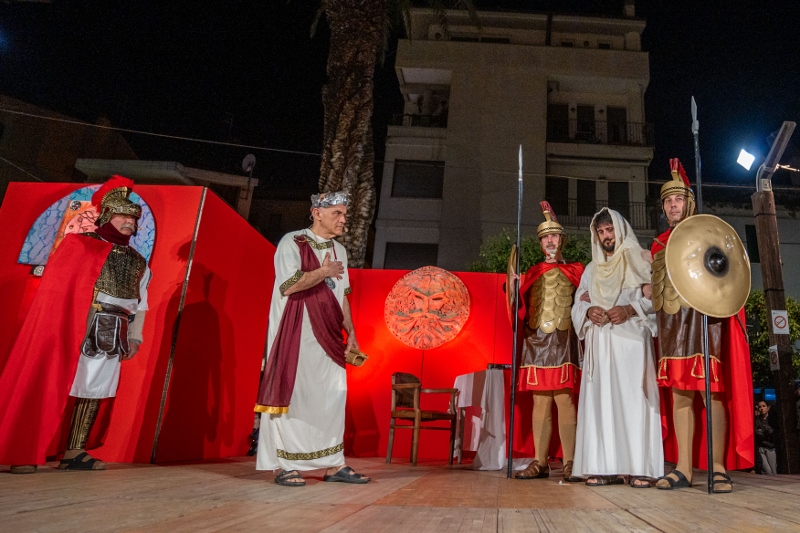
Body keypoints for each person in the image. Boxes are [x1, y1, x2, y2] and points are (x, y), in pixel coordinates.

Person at [0, 176, 151, 473]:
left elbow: (141, 302)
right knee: (49, 382)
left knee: (94, 389)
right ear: (107, 215)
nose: (129, 222)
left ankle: (74, 452)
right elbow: (58, 293)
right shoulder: (79, 246)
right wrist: (64, 326)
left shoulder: (139, 261)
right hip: (75, 325)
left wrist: (135, 337)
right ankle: (26, 450)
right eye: (123, 215)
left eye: (133, 218)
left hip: (114, 331)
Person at [651, 159, 753, 493]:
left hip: (705, 322)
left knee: (712, 394)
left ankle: (718, 467)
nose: (672, 205)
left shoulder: (708, 234)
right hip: (673, 326)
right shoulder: (658, 244)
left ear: (689, 203)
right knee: (680, 394)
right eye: (668, 201)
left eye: (678, 199)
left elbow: (727, 274)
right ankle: (683, 468)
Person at [255, 190, 369, 487]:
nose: (343, 220)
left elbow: (342, 295)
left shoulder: (340, 250)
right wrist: (323, 271)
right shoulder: (292, 242)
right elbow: (289, 285)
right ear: (317, 213)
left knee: (332, 397)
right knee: (295, 397)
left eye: (344, 214)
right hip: (297, 333)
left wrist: (351, 332)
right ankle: (283, 465)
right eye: (337, 214)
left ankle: (334, 464)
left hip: (329, 336)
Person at [571, 208, 663, 488]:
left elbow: (656, 298)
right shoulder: (592, 269)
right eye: (601, 232)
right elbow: (578, 303)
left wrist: (629, 309)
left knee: (634, 402)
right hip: (600, 343)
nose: (606, 236)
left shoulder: (638, 259)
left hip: (631, 342)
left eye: (609, 230)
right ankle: (605, 467)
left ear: (619, 230)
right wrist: (589, 312)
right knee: (602, 405)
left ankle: (640, 468)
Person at [514, 202, 584, 482]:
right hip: (536, 342)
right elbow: (519, 307)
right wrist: (512, 288)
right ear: (540, 243)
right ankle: (540, 462)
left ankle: (570, 461)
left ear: (562, 240)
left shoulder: (577, 271)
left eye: (554, 236)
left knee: (564, 399)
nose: (550, 241)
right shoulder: (532, 273)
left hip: (564, 341)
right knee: (540, 402)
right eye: (545, 237)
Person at [755, 401, 777, 475]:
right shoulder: (756, 420)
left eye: (764, 406)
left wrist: (762, 430)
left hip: (771, 447)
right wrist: (765, 431)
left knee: (773, 470)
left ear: (768, 407)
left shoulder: (772, 419)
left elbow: (772, 432)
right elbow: (757, 433)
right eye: (760, 407)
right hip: (761, 447)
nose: (762, 408)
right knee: (767, 471)